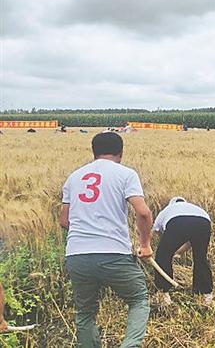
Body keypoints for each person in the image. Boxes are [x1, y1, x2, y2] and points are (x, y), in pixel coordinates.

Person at [60, 132, 153, 348]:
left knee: (85, 313)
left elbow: (64, 221)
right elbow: (143, 212)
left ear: (94, 152)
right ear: (121, 152)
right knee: (138, 299)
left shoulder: (74, 177)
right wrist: (145, 244)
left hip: (76, 255)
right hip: (113, 252)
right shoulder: (126, 174)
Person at [153, 197, 213, 306]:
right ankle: (206, 295)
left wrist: (171, 252)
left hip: (177, 221)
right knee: (200, 257)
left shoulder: (166, 211)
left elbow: (159, 236)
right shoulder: (194, 208)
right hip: (204, 221)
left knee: (162, 255)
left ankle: (163, 295)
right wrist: (179, 252)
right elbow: (191, 240)